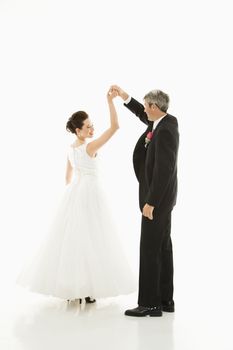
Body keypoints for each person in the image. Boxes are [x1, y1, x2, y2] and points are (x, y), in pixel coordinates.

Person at [16, 89, 136, 304]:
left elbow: (68, 176)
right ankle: (87, 289)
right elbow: (115, 127)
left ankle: (76, 288)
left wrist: (72, 196)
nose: (92, 129)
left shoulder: (72, 149)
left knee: (74, 241)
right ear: (78, 131)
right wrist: (110, 102)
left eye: (92, 125)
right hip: (91, 193)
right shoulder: (90, 147)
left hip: (76, 192)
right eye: (88, 127)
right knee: (94, 239)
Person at [111, 85, 179, 317]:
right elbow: (142, 113)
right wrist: (124, 96)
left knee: (149, 249)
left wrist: (151, 202)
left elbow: (164, 170)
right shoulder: (163, 122)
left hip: (156, 200)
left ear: (154, 107)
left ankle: (150, 303)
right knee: (162, 247)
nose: (145, 112)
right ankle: (165, 300)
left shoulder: (166, 130)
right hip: (163, 199)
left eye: (146, 106)